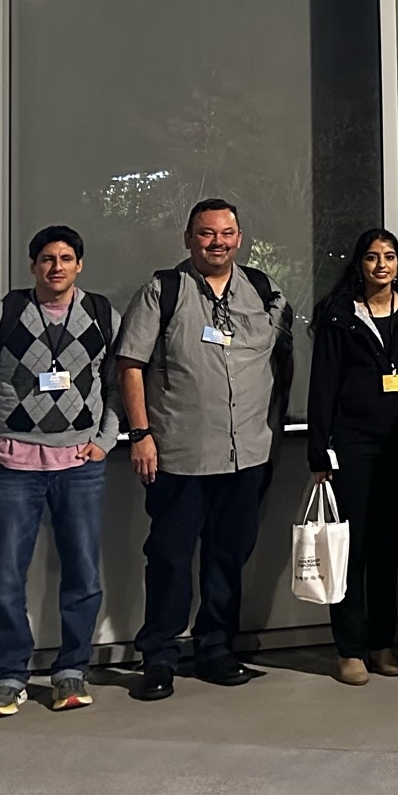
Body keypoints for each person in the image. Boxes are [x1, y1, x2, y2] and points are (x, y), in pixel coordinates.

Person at [117, 198, 294, 702]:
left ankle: (216, 649)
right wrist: (140, 434)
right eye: (206, 233)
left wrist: (273, 428)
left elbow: (282, 361)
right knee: (170, 557)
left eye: (226, 233)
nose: (217, 242)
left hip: (248, 455)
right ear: (188, 238)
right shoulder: (162, 292)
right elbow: (130, 364)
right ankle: (160, 657)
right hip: (180, 453)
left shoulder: (264, 292)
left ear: (240, 239)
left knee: (228, 556)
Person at [0, 225, 121, 718]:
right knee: (6, 576)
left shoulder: (101, 314)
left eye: (67, 257)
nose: (57, 267)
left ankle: (72, 671)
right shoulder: (0, 315)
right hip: (12, 468)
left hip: (79, 467)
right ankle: (8, 677)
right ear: (32, 265)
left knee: (83, 574)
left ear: (80, 265)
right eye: (47, 258)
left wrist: (105, 441)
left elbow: (118, 382)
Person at [305, 228, 398, 686]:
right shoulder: (339, 313)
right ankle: (350, 648)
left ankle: (382, 644)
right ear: (359, 263)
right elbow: (323, 385)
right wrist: (319, 450)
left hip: (397, 443)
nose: (382, 265)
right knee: (350, 549)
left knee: (384, 548)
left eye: (390, 257)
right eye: (373, 257)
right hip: (352, 445)